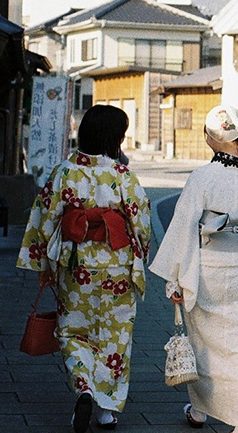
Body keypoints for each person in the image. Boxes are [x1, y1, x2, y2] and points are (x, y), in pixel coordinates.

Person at [149, 105, 238, 433]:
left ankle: (200, 411)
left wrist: (176, 277)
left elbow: (184, 226)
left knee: (205, 344)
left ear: (210, 139)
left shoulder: (202, 177)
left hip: (208, 268)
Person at [17, 104, 151, 433]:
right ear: (114, 139)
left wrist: (43, 263)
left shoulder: (64, 172)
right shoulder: (123, 176)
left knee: (73, 331)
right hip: (116, 267)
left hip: (75, 266)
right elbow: (141, 222)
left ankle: (84, 388)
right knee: (115, 336)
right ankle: (106, 411)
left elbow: (45, 218)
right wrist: (140, 255)